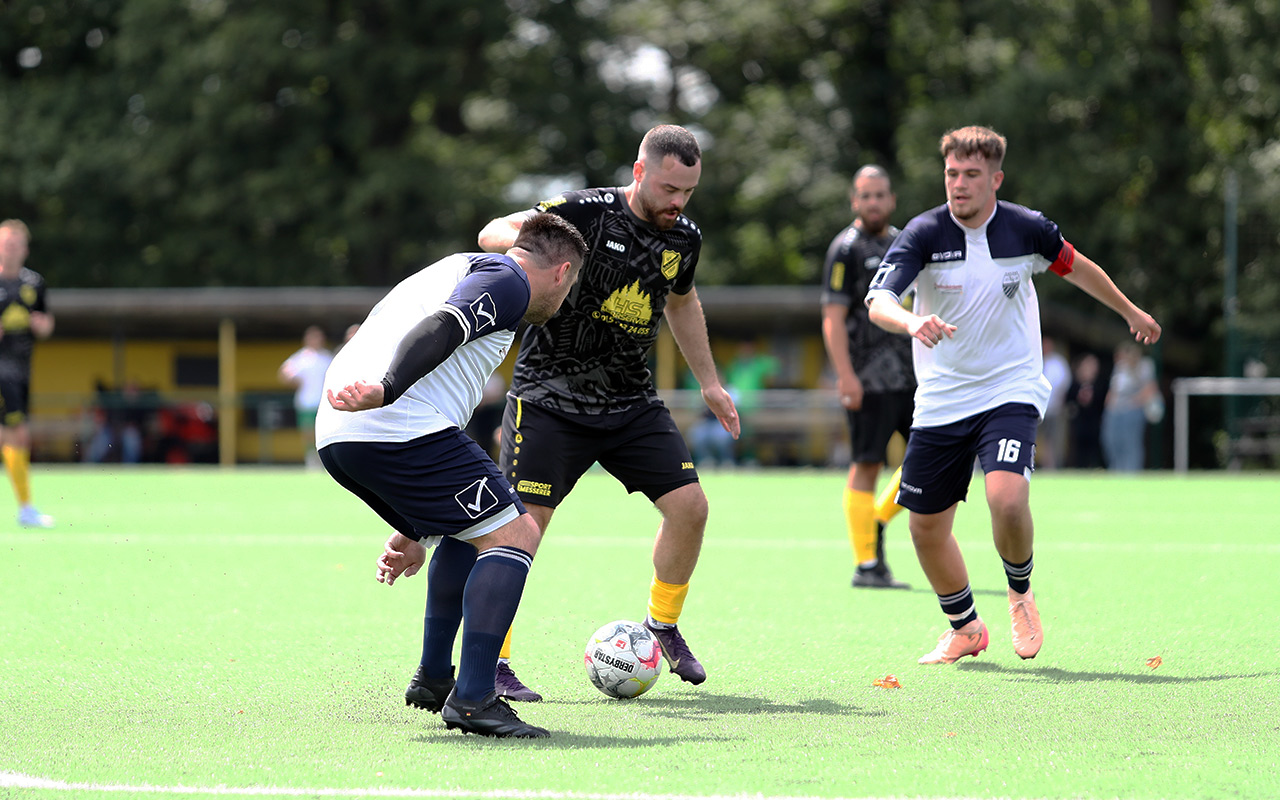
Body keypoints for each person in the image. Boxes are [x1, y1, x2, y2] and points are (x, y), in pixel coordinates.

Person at [865, 126, 1160, 664]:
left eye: (972, 175)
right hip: (942, 397)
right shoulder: (923, 233)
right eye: (952, 174)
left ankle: (1020, 593)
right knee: (925, 528)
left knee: (1006, 497)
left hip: (1010, 389)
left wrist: (1129, 310)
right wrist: (910, 322)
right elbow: (878, 300)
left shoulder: (1026, 230)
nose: (959, 184)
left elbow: (1079, 268)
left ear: (995, 179)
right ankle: (965, 627)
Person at [476, 124, 740, 700]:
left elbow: (683, 302)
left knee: (690, 507)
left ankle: (661, 626)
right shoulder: (585, 212)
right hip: (549, 399)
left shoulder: (684, 238)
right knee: (520, 528)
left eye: (688, 192)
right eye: (669, 188)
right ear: (640, 172)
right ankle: (491, 661)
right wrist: (515, 238)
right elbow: (495, 229)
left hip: (629, 401)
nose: (678, 202)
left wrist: (712, 385)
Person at [316, 212, 586, 739]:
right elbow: (442, 325)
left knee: (474, 531)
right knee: (517, 532)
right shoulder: (507, 279)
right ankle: (475, 699)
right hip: (389, 419)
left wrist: (413, 528)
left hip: (343, 434)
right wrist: (388, 388)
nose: (564, 299)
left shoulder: (459, 268)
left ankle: (436, 677)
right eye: (570, 286)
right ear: (561, 272)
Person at [820, 166, 914, 589]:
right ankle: (867, 565)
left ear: (892, 199)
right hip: (868, 380)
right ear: (854, 201)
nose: (873, 202)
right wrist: (845, 376)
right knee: (867, 465)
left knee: (937, 462)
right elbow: (833, 317)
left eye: (880, 195)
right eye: (865, 195)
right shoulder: (845, 248)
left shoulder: (904, 242)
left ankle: (875, 519)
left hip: (914, 377)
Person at [0, 220, 55, 528]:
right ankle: (26, 508)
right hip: (0, 371)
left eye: (15, 244)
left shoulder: (34, 283)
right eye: (5, 243)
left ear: (25, 249)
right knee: (16, 434)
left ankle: (25, 507)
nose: (10, 249)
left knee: (12, 435)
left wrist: (42, 326)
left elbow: (47, 322)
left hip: (22, 370)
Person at [279, 325, 334, 468]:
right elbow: (284, 373)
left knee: (323, 432)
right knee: (308, 432)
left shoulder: (327, 358)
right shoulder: (301, 358)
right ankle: (311, 460)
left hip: (324, 403)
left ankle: (325, 461)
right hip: (306, 402)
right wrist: (292, 381)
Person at [1100, 341, 1159, 472]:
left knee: (1131, 444)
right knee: (1111, 441)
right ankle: (1116, 471)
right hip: (1114, 411)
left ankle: (1131, 473)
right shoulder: (1120, 367)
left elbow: (1150, 389)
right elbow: (1114, 389)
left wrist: (1131, 403)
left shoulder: (1145, 365)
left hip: (1132, 411)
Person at [1037, 335, 1072, 470]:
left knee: (1051, 438)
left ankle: (1050, 467)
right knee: (1034, 437)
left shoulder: (1058, 363)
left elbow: (1064, 384)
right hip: (1036, 407)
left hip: (1052, 408)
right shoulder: (1035, 361)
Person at [1066, 353, 1105, 468]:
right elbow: (1069, 400)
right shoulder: (1075, 383)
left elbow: (1102, 401)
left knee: (1095, 448)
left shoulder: (1100, 384)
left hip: (1095, 423)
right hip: (1079, 424)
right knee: (1079, 450)